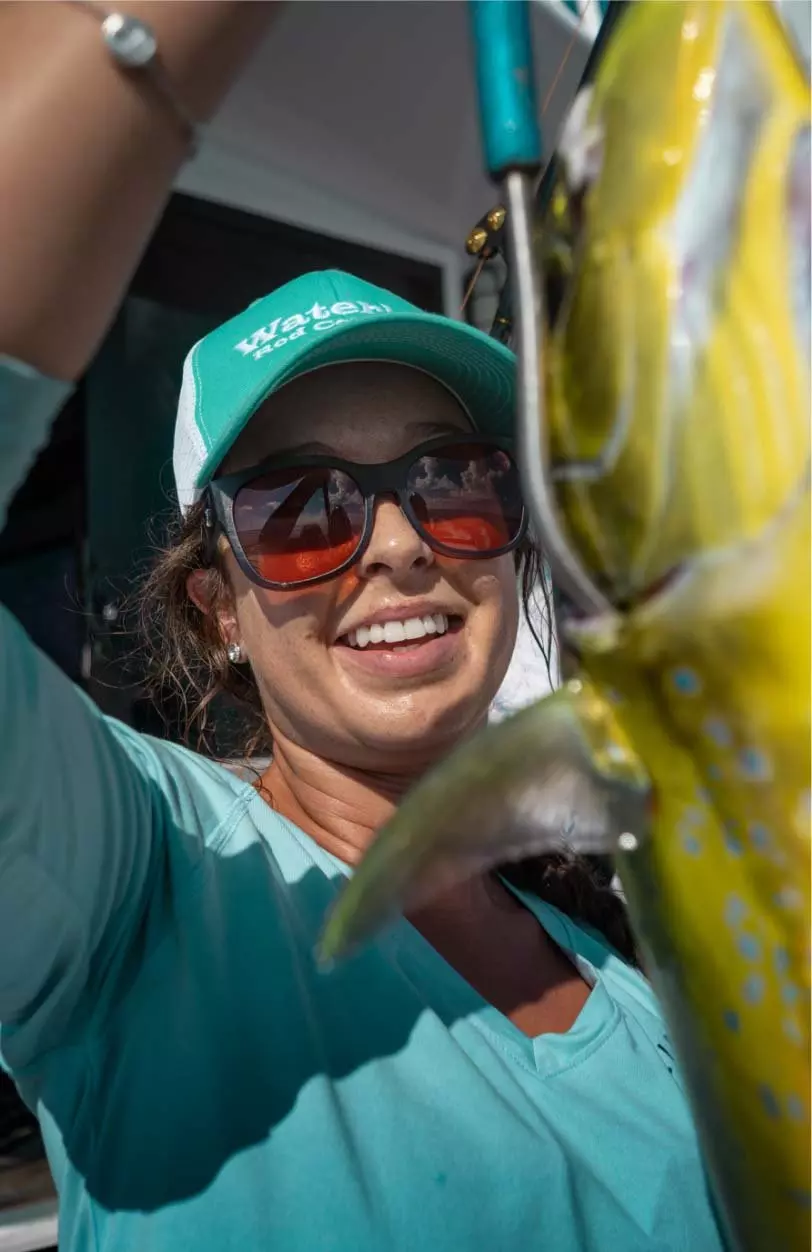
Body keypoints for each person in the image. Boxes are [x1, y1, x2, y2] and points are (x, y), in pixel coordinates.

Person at [0, 4, 726, 1250]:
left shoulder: (617, 938)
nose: (396, 544)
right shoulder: (138, 875)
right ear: (216, 608)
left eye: (452, 481)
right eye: (302, 510)